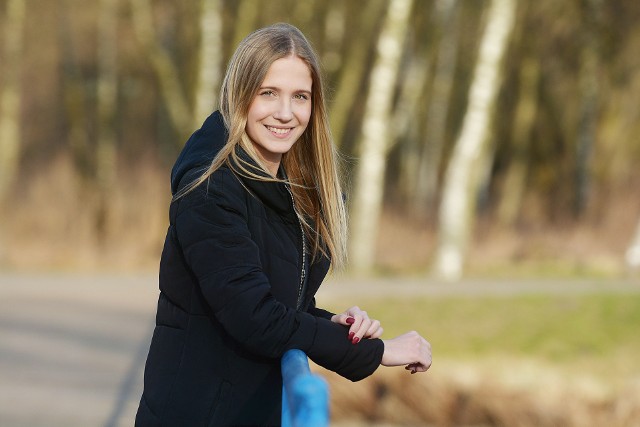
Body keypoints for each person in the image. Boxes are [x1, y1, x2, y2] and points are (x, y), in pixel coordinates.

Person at [135, 23, 431, 426]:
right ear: (239, 96)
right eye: (268, 93)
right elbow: (255, 317)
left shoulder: (288, 189)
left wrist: (334, 325)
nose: (286, 113)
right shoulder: (210, 189)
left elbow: (278, 300)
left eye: (300, 97)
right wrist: (379, 353)